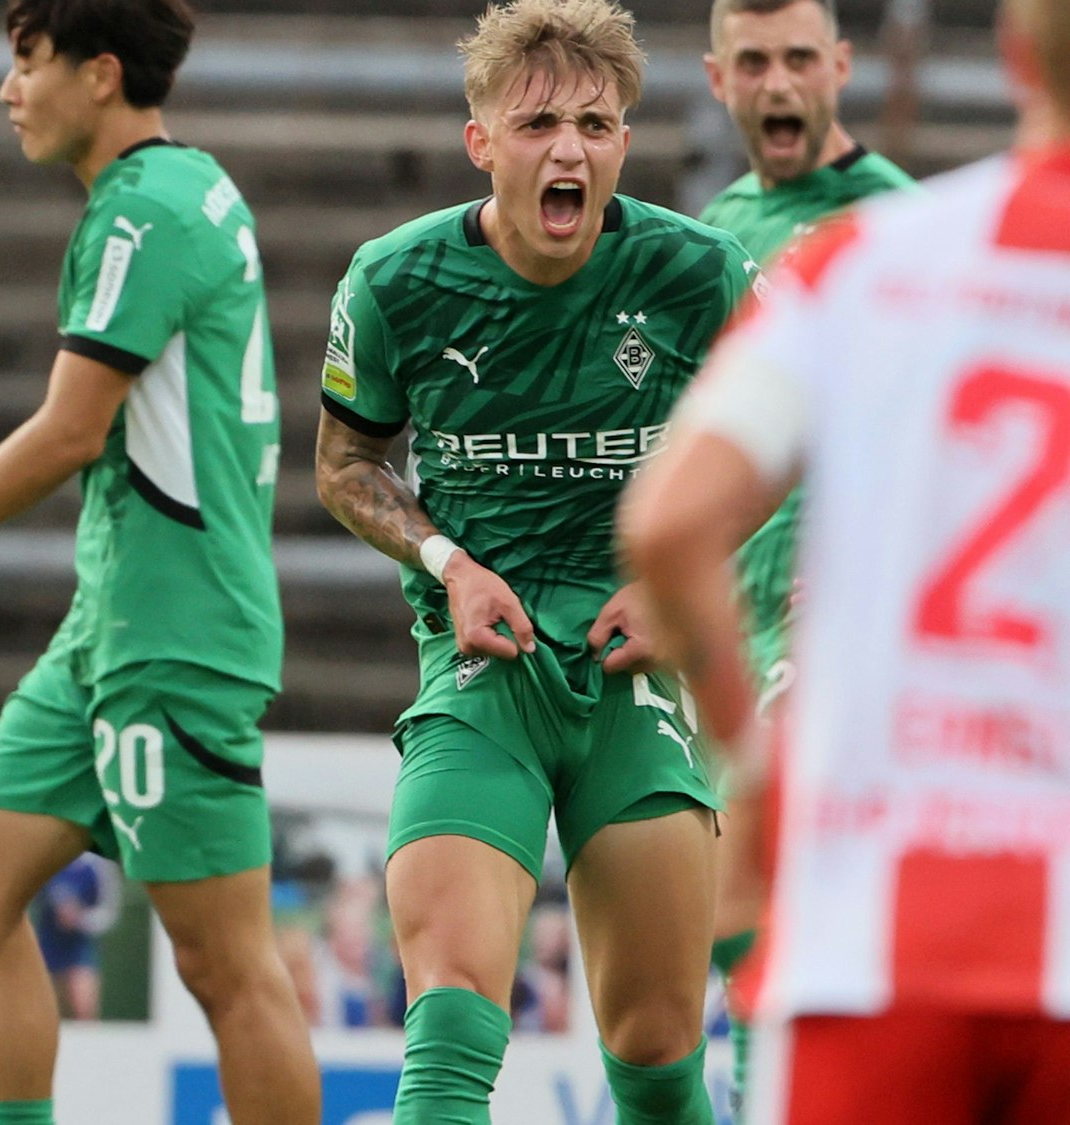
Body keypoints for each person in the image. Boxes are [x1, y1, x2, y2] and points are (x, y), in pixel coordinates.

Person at [0, 0, 319, 1120]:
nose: (8, 89)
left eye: (28, 61)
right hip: (106, 629)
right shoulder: (188, 185)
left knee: (226, 968)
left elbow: (69, 432)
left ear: (100, 74)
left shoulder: (140, 214)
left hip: (177, 632)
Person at [622, 0, 1070, 1118]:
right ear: (720, 76)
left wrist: (753, 758)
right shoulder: (771, 229)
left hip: (874, 917)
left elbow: (666, 523)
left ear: (1014, 55)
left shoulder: (870, 255)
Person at [313, 2, 758, 1121]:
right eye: (538, 124)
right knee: (452, 1024)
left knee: (657, 1059)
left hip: (630, 678)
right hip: (483, 674)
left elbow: (789, 448)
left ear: (623, 143)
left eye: (595, 126)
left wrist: (675, 589)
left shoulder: (698, 273)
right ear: (480, 142)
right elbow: (345, 464)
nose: (569, 149)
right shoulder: (395, 279)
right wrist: (448, 562)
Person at [695, 4, 915, 1102]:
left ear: (840, 65)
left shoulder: (898, 225)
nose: (776, 84)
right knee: (733, 943)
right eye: (752, 63)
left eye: (796, 60)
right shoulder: (715, 226)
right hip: (727, 630)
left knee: (778, 928)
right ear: (716, 78)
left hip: (834, 633)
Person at [33, 853, 121, 1021]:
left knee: (83, 1010)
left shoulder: (99, 865)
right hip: (46, 945)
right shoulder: (47, 857)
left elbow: (109, 912)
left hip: (80, 948)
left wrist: (80, 919)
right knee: (43, 1013)